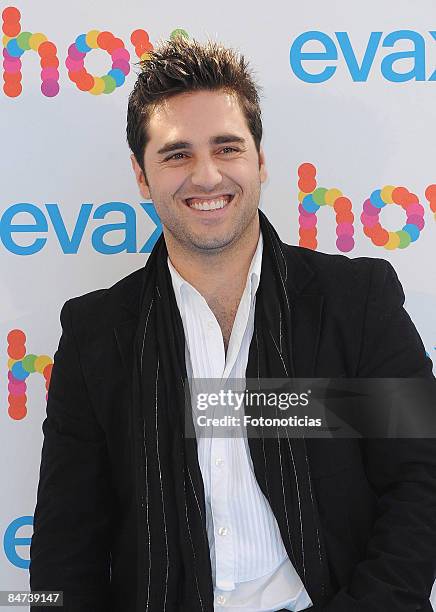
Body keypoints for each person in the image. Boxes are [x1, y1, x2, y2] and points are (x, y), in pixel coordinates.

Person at [29, 36, 436, 612]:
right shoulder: (98, 335)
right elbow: (64, 547)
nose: (207, 175)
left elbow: (421, 478)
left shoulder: (353, 303)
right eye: (176, 155)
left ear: (260, 161)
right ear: (142, 178)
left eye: (227, 148)